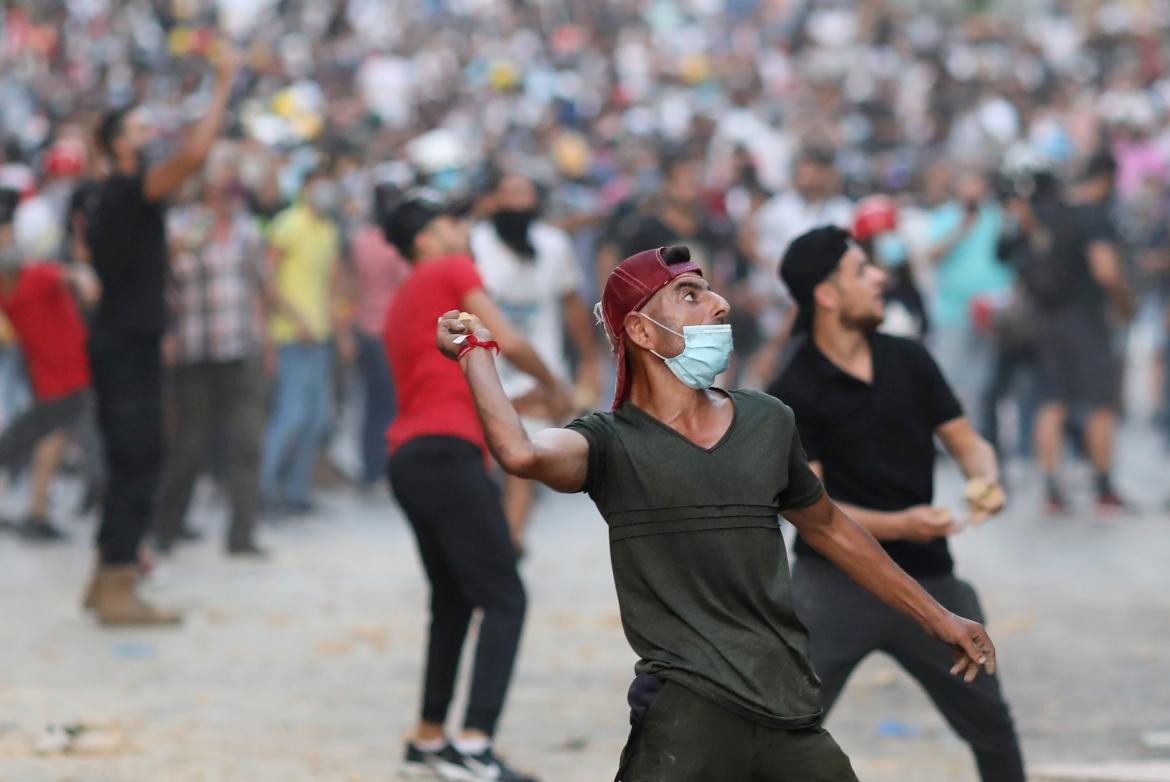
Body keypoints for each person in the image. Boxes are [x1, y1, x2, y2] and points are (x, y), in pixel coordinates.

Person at [436, 244, 999, 781]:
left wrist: (938, 617)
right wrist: (475, 353)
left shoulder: (768, 422)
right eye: (689, 294)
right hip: (686, 714)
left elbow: (831, 529)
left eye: (710, 293)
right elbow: (519, 453)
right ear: (639, 329)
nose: (719, 303)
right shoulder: (610, 444)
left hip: (786, 707)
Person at [768, 226, 1026, 782]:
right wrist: (903, 523)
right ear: (827, 295)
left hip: (932, 581)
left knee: (993, 728)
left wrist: (986, 478)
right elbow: (814, 511)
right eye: (862, 271)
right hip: (831, 589)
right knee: (778, 732)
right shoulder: (792, 389)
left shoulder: (909, 358)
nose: (881, 278)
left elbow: (966, 441)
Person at [383, 193, 570, 782]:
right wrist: (555, 386)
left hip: (412, 457)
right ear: (424, 240)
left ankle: (430, 740)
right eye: (449, 222)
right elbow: (506, 339)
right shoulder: (450, 269)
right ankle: (474, 745)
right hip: (445, 455)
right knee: (506, 598)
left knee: (454, 600)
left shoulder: (400, 303)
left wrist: (520, 400)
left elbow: (441, 389)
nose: (462, 231)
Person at [82, 48, 239, 625]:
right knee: (140, 462)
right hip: (129, 345)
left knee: (130, 459)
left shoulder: (104, 198)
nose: (152, 137)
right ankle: (120, 585)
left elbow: (129, 260)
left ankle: (103, 579)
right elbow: (196, 153)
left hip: (118, 339)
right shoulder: (126, 189)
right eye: (142, 129)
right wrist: (223, 80)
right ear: (119, 143)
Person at [470, 170, 601, 549]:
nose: (520, 203)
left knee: (522, 464)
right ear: (493, 200)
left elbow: (572, 303)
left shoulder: (554, 245)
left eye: (527, 193)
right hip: (486, 372)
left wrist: (590, 360)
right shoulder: (474, 245)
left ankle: (510, 543)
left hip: (543, 375)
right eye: (511, 192)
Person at [151, 160, 268, 557]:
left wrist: (265, 342)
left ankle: (242, 535)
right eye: (219, 191)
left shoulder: (248, 233)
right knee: (189, 448)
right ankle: (165, 529)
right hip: (194, 350)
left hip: (240, 349)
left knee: (247, 444)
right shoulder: (179, 229)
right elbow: (162, 283)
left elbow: (258, 288)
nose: (225, 200)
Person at [1029, 153, 1133, 513]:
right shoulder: (1095, 215)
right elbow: (1105, 270)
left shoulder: (1052, 212)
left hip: (1047, 319)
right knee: (1099, 405)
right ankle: (1103, 487)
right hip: (1087, 320)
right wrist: (1123, 301)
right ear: (1107, 178)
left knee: (1052, 401)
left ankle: (1051, 489)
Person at [0, 193, 101, 541]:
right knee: (29, 441)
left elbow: (72, 277)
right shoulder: (15, 284)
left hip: (70, 377)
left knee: (49, 440)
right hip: (57, 383)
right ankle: (39, 510)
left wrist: (84, 283)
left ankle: (37, 510)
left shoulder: (35, 275)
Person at [259, 168, 352, 514]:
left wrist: (339, 331)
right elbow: (267, 276)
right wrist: (293, 317)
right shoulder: (288, 224)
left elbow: (332, 284)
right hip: (291, 337)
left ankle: (297, 493)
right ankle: (264, 491)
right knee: (291, 416)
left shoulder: (329, 231)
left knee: (315, 419)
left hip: (320, 337)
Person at [925, 169, 1013, 423]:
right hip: (953, 312)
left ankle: (978, 432)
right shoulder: (945, 216)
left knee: (983, 381)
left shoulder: (999, 216)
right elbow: (931, 255)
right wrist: (960, 229)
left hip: (992, 312)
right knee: (948, 378)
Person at [350, 185, 409, 490]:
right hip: (389, 331)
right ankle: (386, 464)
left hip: (364, 327)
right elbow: (404, 283)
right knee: (390, 402)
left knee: (372, 401)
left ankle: (369, 465)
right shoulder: (394, 245)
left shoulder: (361, 240)